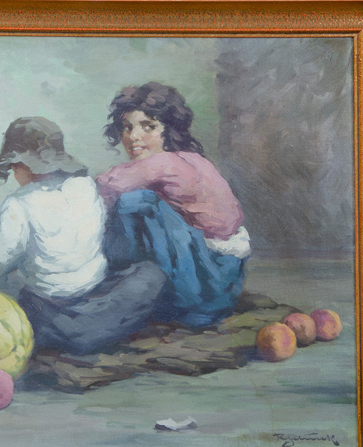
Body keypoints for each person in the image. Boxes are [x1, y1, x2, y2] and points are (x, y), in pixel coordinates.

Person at [0, 116, 165, 355]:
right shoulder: (85, 185)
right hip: (95, 293)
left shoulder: (19, 204)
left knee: (15, 289)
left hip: (49, 309)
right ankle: (92, 328)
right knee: (150, 275)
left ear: (23, 164)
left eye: (13, 167)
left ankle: (72, 332)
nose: (14, 173)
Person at [95, 82, 251, 327]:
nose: (133, 136)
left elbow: (104, 188)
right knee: (134, 204)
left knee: (134, 202)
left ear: (169, 130)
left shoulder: (168, 163)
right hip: (222, 280)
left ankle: (118, 289)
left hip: (209, 284)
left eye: (148, 126)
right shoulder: (190, 160)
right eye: (127, 127)